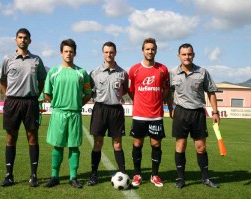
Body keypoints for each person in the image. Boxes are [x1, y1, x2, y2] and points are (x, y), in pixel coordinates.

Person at [0, 28, 47, 187]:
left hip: (30, 102)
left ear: (30, 41)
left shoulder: (37, 60)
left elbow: (41, 82)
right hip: (12, 103)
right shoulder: (7, 59)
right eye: (20, 37)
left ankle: (34, 175)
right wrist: (8, 96)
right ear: (16, 40)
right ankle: (9, 175)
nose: (23, 40)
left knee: (32, 137)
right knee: (11, 138)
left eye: (25, 38)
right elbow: (2, 80)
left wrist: (33, 96)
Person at [169, 43, 220, 189]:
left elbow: (211, 92)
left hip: (198, 113)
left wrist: (215, 112)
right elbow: (168, 92)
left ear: (194, 55)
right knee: (181, 145)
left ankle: (206, 178)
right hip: (180, 113)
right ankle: (180, 179)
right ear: (179, 56)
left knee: (201, 147)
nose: (187, 57)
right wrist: (171, 108)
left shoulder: (202, 72)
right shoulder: (172, 73)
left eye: (189, 54)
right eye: (184, 54)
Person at [43, 39, 92, 189]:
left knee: (74, 146)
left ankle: (73, 177)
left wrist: (77, 105)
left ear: (75, 53)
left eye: (71, 51)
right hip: (58, 113)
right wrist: (59, 104)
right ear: (61, 53)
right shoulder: (53, 72)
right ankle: (54, 176)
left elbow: (88, 93)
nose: (68, 54)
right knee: (57, 146)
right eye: (66, 51)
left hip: (75, 114)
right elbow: (47, 94)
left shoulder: (82, 73)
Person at [128, 38, 171, 188]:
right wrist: (141, 102)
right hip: (139, 114)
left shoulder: (163, 70)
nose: (150, 51)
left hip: (156, 115)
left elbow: (166, 90)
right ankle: (137, 174)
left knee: (156, 144)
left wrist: (158, 100)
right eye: (147, 49)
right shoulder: (134, 70)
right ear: (142, 50)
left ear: (156, 50)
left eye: (152, 49)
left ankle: (154, 175)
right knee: (137, 143)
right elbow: (131, 91)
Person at [87, 42, 129, 186]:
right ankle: (94, 175)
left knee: (117, 144)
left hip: (116, 110)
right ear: (102, 53)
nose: (109, 54)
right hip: (100, 109)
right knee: (98, 143)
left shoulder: (123, 73)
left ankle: (123, 173)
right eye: (106, 52)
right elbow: (89, 90)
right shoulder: (94, 73)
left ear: (115, 53)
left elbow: (125, 90)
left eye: (111, 52)